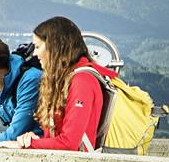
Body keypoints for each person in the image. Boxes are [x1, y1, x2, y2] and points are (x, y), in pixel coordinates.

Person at [16, 15, 114, 152]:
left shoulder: (83, 82)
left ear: (56, 47)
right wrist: (35, 140)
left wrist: (26, 145)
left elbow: (69, 143)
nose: (34, 54)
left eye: (38, 47)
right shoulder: (68, 79)